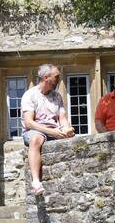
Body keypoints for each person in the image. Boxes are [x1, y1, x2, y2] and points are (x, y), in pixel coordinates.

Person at [21, 63, 75, 197]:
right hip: (35, 130)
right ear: (46, 77)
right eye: (56, 77)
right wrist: (52, 132)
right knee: (36, 139)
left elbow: (62, 118)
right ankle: (36, 182)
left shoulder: (57, 97)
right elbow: (29, 122)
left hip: (54, 130)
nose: (59, 80)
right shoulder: (30, 95)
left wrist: (67, 129)